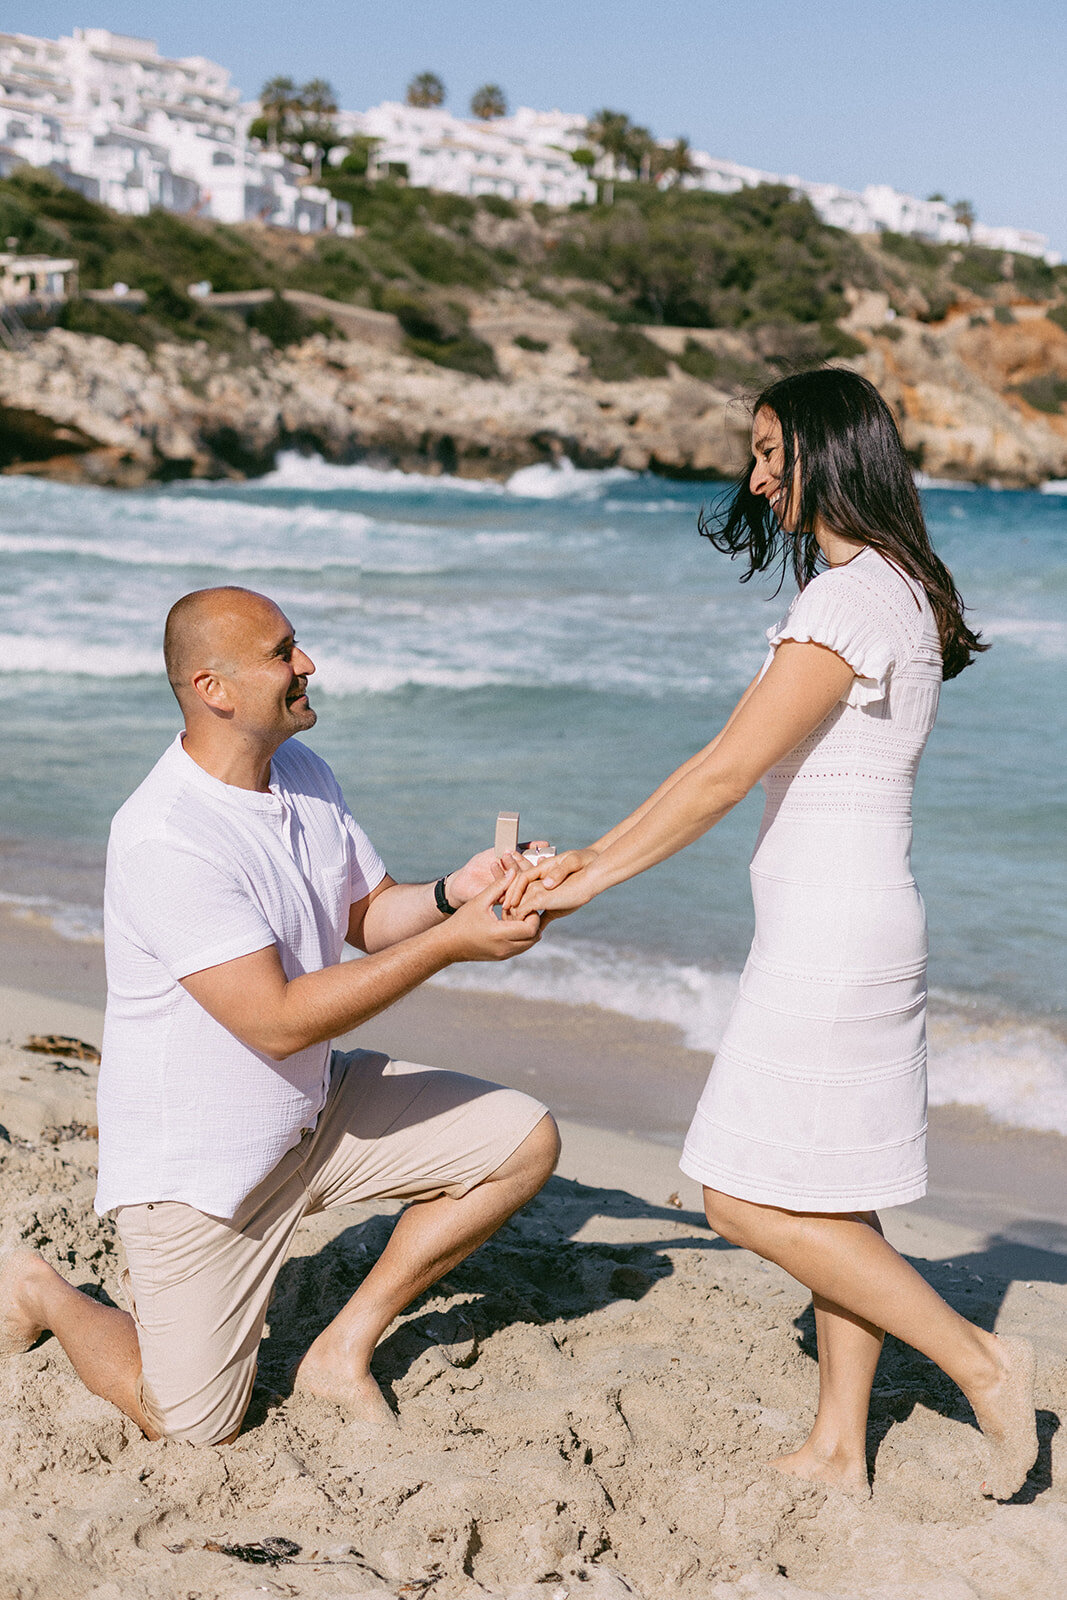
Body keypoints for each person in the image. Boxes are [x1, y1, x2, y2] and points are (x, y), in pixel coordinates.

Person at [505, 368, 1037, 1500]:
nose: (752, 478)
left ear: (827, 452)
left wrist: (586, 877)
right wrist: (586, 863)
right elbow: (727, 768)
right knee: (835, 1188)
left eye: (767, 452)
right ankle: (840, 1445)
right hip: (856, 915)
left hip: (831, 935)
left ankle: (979, 1360)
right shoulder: (893, 586)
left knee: (739, 1196)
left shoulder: (842, 602)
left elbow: (721, 770)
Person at [0, 585, 559, 1447]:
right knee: (190, 1423)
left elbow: (367, 915)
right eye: (283, 652)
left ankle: (343, 1347)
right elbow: (276, 1021)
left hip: (310, 1112)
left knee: (522, 1142)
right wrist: (453, 947)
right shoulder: (165, 836)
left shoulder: (301, 773)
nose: (307, 664)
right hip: (198, 1173)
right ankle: (40, 1290)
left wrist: (456, 894)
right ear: (213, 688)